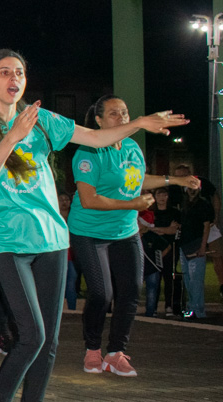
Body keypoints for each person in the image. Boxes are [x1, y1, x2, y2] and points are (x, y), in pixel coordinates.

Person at [0, 48, 187, 402]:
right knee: (31, 335)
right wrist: (12, 135)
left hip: (51, 239)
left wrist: (136, 123)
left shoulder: (42, 119)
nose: (15, 78)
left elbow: (95, 137)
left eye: (21, 72)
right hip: (9, 242)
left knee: (48, 342)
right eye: (5, 72)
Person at [67, 95, 200, 376]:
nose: (122, 118)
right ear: (99, 120)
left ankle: (115, 353)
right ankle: (92, 349)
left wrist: (175, 180)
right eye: (114, 114)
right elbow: (89, 199)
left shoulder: (130, 147)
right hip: (89, 233)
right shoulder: (89, 152)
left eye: (125, 113)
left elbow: (137, 180)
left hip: (124, 232)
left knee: (130, 292)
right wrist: (134, 205)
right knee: (102, 294)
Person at [178, 182, 215, 320]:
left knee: (196, 280)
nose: (192, 191)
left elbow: (206, 227)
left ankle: (195, 309)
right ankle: (196, 310)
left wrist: (202, 246)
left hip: (196, 245)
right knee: (188, 279)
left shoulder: (203, 204)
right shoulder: (185, 204)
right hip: (185, 246)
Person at [142, 187, 179, 316]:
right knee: (154, 278)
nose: (162, 198)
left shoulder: (173, 212)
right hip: (154, 249)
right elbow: (147, 229)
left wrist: (158, 229)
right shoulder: (152, 212)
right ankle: (154, 307)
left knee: (169, 277)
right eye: (159, 195)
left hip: (169, 248)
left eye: (164, 195)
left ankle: (169, 305)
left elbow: (173, 230)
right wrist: (164, 229)